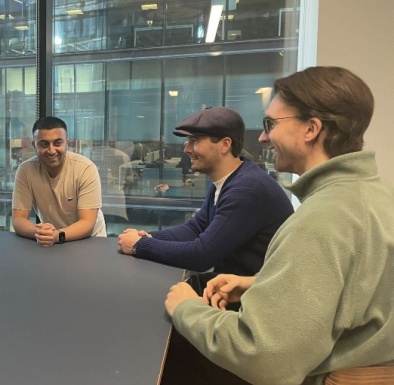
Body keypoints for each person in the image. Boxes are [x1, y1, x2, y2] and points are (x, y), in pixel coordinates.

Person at [165, 66, 394, 384]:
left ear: (311, 128)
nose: (262, 137)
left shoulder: (320, 219)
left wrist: (187, 308)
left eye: (270, 124)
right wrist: (260, 284)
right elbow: (358, 293)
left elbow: (262, 357)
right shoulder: (379, 194)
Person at [117, 107, 293, 276]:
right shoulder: (228, 180)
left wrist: (140, 245)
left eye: (195, 141)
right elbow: (196, 228)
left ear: (225, 144)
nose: (187, 149)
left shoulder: (245, 190)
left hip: (246, 298)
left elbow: (201, 256)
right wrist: (147, 236)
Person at [12, 116, 106, 246]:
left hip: (89, 241)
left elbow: (87, 223)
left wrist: (57, 235)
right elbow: (18, 219)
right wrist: (39, 232)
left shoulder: (85, 168)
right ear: (34, 145)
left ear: (66, 143)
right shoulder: (25, 171)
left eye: (57, 143)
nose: (51, 150)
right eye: (44, 144)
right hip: (52, 241)